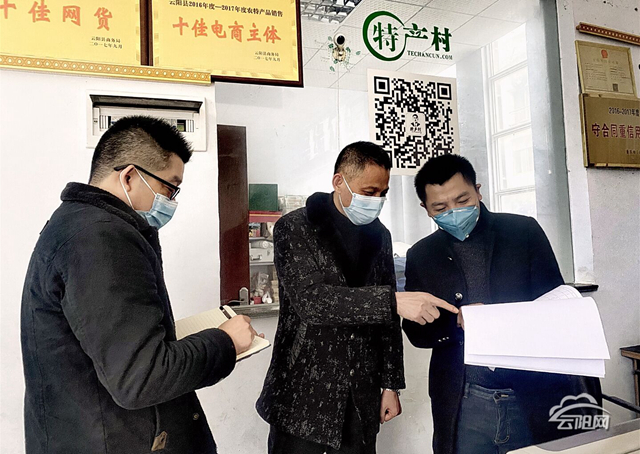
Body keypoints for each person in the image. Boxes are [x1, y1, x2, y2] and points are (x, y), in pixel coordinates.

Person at [21, 116, 259, 454]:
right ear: (130, 177)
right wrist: (226, 343)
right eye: (170, 188)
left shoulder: (76, 225)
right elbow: (141, 378)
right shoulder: (100, 239)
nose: (172, 201)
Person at [257, 141, 459, 454]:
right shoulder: (295, 227)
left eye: (382, 193)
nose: (376, 201)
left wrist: (391, 384)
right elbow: (312, 301)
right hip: (303, 396)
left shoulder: (380, 235)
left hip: (361, 394)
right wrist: (392, 301)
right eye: (368, 192)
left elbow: (387, 324)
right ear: (339, 181)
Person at [403, 154, 602, 454]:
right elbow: (417, 334)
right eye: (440, 208)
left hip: (531, 394)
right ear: (426, 209)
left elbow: (557, 308)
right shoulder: (421, 254)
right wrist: (457, 323)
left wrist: (497, 320)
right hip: (463, 400)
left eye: (462, 200)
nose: (454, 212)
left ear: (478, 191)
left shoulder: (523, 232)